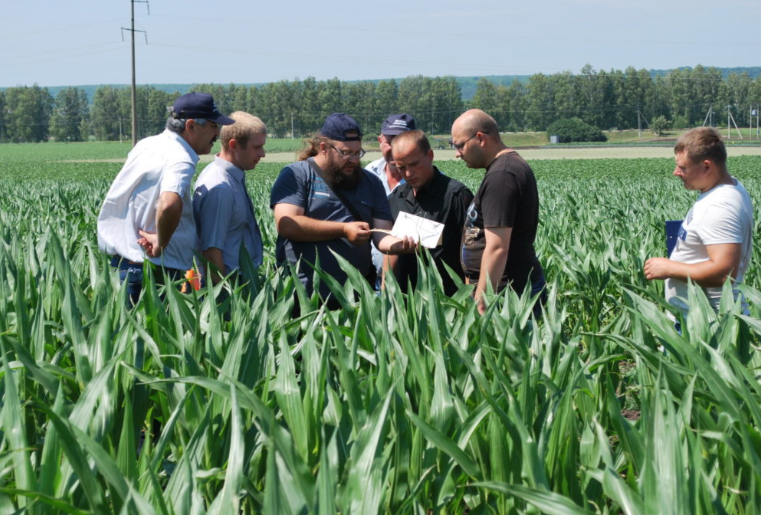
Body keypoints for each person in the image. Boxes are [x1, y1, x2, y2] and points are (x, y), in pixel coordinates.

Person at [97, 92, 234, 304]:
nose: (217, 132)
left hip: (123, 264)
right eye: (213, 125)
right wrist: (161, 242)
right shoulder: (180, 158)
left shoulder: (147, 144)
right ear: (191, 126)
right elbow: (169, 204)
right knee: (153, 335)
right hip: (152, 271)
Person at [270, 113, 415, 307]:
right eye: (346, 153)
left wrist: (396, 245)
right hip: (303, 295)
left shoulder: (371, 182)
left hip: (355, 295)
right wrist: (344, 230)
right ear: (324, 148)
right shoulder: (296, 175)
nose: (354, 160)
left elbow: (381, 232)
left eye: (357, 153)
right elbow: (287, 224)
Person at [644, 127, 753, 319]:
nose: (676, 172)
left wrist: (669, 268)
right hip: (699, 321)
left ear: (706, 166)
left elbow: (724, 274)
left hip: (712, 324)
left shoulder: (719, 207)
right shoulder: (728, 187)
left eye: (683, 167)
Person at [450, 109, 546, 315]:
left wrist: (483, 300)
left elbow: (497, 247)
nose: (457, 153)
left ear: (480, 138)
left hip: (509, 295)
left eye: (459, 145)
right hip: (507, 291)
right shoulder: (505, 168)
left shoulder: (502, 176)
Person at [387, 130, 473, 295]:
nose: (408, 173)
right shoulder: (396, 198)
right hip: (405, 297)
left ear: (430, 155)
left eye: (413, 164)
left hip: (447, 297)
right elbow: (389, 251)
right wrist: (386, 288)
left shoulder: (456, 196)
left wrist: (471, 296)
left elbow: (472, 249)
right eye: (401, 167)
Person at [193, 111, 266, 286]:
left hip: (239, 278)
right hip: (228, 282)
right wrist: (225, 297)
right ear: (233, 145)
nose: (262, 154)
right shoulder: (221, 188)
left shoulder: (231, 177)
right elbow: (211, 252)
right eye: (256, 147)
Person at [365, 113, 416, 289]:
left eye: (401, 141)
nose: (395, 148)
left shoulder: (423, 180)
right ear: (380, 140)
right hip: (368, 279)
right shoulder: (367, 175)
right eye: (390, 141)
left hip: (409, 282)